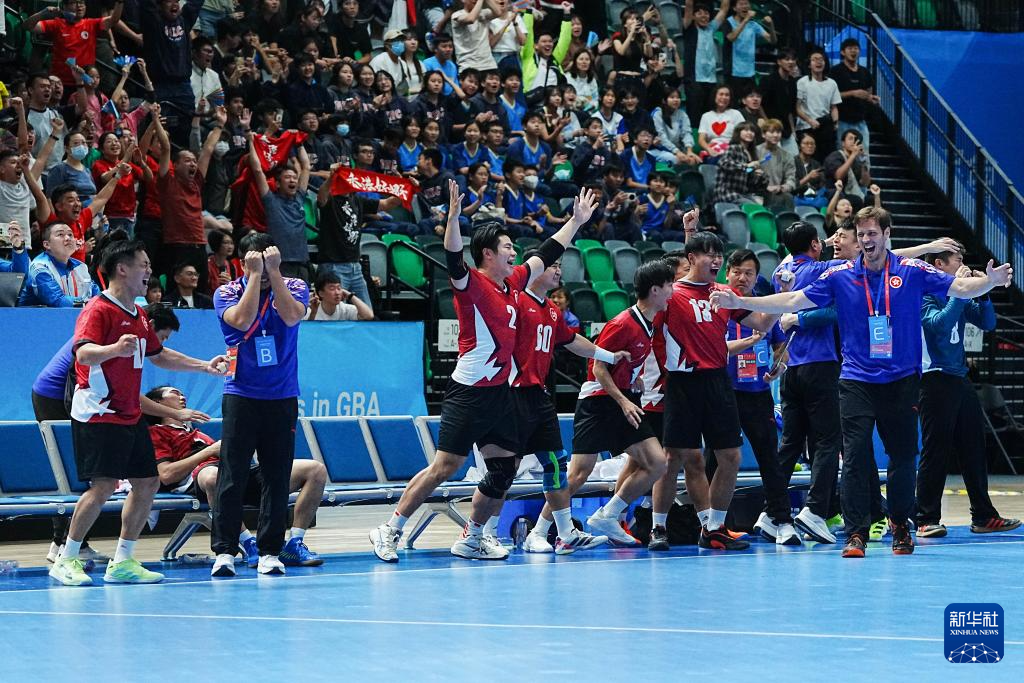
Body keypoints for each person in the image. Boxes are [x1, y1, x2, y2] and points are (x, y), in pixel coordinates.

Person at [711, 206, 1014, 558]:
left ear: (887, 235)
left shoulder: (912, 270)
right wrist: (740, 301)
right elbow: (794, 299)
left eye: (872, 233)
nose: (867, 240)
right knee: (854, 456)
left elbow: (959, 286)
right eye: (862, 234)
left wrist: (989, 282)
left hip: (902, 380)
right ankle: (856, 533)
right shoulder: (840, 275)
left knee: (903, 458)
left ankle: (900, 524)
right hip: (856, 379)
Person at [369, 181, 597, 563]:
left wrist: (575, 222)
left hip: (499, 394)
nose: (514, 253)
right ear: (488, 254)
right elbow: (454, 256)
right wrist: (453, 220)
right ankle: (389, 529)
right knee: (446, 466)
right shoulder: (472, 285)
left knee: (503, 470)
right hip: (469, 393)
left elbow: (547, 251)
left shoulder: (514, 283)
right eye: (507, 247)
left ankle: (472, 536)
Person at [48, 241, 227, 586]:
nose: (149, 271)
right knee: (102, 487)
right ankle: (66, 558)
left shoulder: (140, 314)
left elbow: (160, 355)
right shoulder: (98, 309)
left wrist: (205, 366)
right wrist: (114, 348)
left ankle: (123, 561)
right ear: (122, 269)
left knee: (148, 482)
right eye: (143, 265)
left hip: (129, 414)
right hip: (99, 412)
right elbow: (83, 354)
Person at [478, 252, 631, 555]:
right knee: (506, 469)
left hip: (539, 397)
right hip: (511, 395)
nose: (559, 270)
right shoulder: (514, 301)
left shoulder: (551, 309)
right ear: (534, 270)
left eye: (560, 265)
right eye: (552, 265)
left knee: (556, 464)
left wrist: (609, 356)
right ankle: (487, 533)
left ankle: (565, 533)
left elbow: (572, 341)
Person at [33, 305, 206, 564]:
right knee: (81, 476)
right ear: (150, 325)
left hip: (88, 400)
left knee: (132, 480)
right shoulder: (115, 332)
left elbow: (156, 360)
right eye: (163, 336)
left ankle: (79, 547)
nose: (160, 344)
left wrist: (204, 366)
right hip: (55, 396)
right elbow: (125, 393)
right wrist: (177, 414)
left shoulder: (134, 331)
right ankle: (63, 546)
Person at [536, 259, 675, 548]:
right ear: (655, 290)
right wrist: (623, 400)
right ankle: (539, 531)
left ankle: (608, 514)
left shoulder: (649, 323)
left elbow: (625, 362)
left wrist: (634, 379)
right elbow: (598, 367)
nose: (672, 291)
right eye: (669, 285)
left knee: (657, 463)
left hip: (624, 398)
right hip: (598, 403)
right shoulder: (622, 323)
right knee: (578, 474)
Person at [657, 228, 779, 551]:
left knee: (731, 456)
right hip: (682, 382)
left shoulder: (724, 294)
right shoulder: (671, 295)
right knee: (672, 458)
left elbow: (762, 323)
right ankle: (657, 527)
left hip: (718, 382)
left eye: (718, 255)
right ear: (691, 258)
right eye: (708, 254)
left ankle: (713, 528)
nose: (715, 260)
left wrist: (782, 297)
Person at [210, 232, 309, 577]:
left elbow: (292, 317)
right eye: (258, 265)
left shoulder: (293, 285)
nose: (265, 272)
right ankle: (224, 552)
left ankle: (270, 551)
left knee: (277, 475)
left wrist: (275, 272)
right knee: (232, 474)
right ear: (244, 262)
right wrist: (254, 276)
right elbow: (242, 321)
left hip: (281, 396)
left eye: (269, 265)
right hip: (240, 394)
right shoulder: (226, 292)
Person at [148, 384, 328, 568]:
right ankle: (249, 543)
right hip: (202, 477)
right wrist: (209, 451)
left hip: (237, 473)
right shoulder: (156, 432)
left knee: (315, 470)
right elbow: (166, 475)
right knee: (213, 477)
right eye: (174, 393)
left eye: (183, 393)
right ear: (157, 403)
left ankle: (294, 543)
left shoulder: (197, 433)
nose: (182, 397)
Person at [917, 244, 1020, 536]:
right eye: (958, 260)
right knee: (936, 449)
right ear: (939, 265)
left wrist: (983, 292)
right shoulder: (923, 294)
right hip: (933, 377)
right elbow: (939, 325)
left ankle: (983, 516)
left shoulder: (958, 294)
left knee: (974, 447)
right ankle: (925, 518)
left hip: (959, 377)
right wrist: (961, 293)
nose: (963, 265)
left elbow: (988, 323)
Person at [720, 249, 795, 545]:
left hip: (758, 394)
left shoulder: (765, 311)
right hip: (724, 394)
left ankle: (782, 520)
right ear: (727, 273)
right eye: (737, 271)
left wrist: (780, 367)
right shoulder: (717, 307)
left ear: (755, 278)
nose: (742, 277)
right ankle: (716, 524)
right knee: (717, 460)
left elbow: (781, 350)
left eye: (749, 273)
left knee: (770, 459)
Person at [156, 103, 225, 291]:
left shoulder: (197, 183)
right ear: (176, 165)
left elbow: (208, 149)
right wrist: (156, 121)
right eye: (187, 161)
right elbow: (165, 148)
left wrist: (220, 124)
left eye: (194, 161)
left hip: (199, 245)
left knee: (202, 290)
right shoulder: (167, 182)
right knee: (175, 291)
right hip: (176, 245)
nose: (193, 164)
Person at [248, 132, 312, 281]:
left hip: (302, 263)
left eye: (294, 178)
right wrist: (251, 142)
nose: (293, 180)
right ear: (277, 183)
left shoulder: (299, 198)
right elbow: (257, 170)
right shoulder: (271, 200)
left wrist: (299, 142)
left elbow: (306, 167)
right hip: (279, 264)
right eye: (287, 177)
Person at [25, 0, 123, 89]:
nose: (79, 6)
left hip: (85, 83)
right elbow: (28, 26)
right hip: (60, 83)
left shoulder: (91, 24)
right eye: (74, 3)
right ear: (64, 6)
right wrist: (42, 13)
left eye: (82, 3)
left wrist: (120, 2)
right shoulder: (56, 24)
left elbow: (113, 20)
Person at [19, 221, 99, 307]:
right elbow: (58, 301)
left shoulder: (81, 267)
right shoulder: (39, 267)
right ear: (47, 244)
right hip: (29, 315)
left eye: (70, 234)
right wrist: (91, 304)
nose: (68, 238)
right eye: (60, 234)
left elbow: (96, 294)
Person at [681, 0, 730, 125]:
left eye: (706, 13)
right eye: (700, 13)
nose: (704, 16)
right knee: (694, 118)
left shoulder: (711, 28)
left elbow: (724, 9)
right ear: (693, 16)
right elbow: (689, 5)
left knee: (709, 117)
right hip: (694, 80)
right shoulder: (689, 28)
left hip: (711, 81)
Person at [830, 38, 878, 161]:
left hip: (860, 120)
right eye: (850, 48)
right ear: (842, 52)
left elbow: (868, 92)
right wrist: (852, 93)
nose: (853, 51)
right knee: (843, 155)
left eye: (856, 48)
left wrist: (871, 98)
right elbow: (830, 95)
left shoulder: (865, 72)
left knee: (863, 155)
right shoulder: (836, 71)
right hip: (842, 120)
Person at [724, 0, 775, 102]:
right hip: (734, 72)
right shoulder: (728, 22)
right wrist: (746, 19)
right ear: (734, 8)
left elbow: (772, 40)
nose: (745, 6)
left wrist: (771, 25)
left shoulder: (753, 25)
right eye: (741, 4)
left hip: (750, 72)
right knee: (734, 104)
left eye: (746, 3)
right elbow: (731, 37)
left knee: (750, 103)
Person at [795, 49, 841, 162]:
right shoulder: (802, 82)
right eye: (814, 59)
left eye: (821, 59)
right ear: (809, 64)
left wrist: (835, 123)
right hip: (807, 126)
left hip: (825, 126)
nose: (818, 62)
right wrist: (809, 120)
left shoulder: (832, 83)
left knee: (827, 159)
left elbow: (834, 107)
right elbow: (797, 107)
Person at [760, 47, 799, 154]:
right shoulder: (768, 80)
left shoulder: (792, 82)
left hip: (787, 129)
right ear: (779, 62)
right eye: (787, 59)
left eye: (793, 59)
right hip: (771, 128)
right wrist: (767, 123)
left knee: (794, 157)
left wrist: (793, 130)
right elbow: (760, 104)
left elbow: (790, 109)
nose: (791, 62)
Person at [757, 118, 796, 213]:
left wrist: (781, 188)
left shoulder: (787, 155)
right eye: (771, 132)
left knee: (787, 198)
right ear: (763, 134)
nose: (775, 135)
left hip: (777, 192)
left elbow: (791, 179)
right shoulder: (755, 151)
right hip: (757, 192)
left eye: (778, 132)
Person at [452, 0, 501, 73]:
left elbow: (498, 13)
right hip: (468, 65)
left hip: (489, 64)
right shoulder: (457, 15)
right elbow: (471, 19)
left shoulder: (483, 13)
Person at [697, 85, 745, 161]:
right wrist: (709, 149)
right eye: (721, 94)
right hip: (712, 149)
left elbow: (743, 134)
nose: (724, 97)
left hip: (732, 148)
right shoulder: (706, 116)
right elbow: (701, 140)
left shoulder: (736, 114)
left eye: (727, 95)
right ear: (714, 97)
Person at [305, 269, 373, 321]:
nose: (337, 293)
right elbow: (307, 331)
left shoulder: (344, 309)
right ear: (321, 293)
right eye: (332, 289)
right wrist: (313, 313)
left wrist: (350, 296)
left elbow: (369, 316)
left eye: (339, 288)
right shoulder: (311, 309)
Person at [206, 229, 242, 295]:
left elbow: (236, 289)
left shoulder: (231, 266)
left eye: (232, 243)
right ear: (216, 243)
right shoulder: (207, 264)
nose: (230, 246)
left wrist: (230, 284)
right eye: (225, 243)